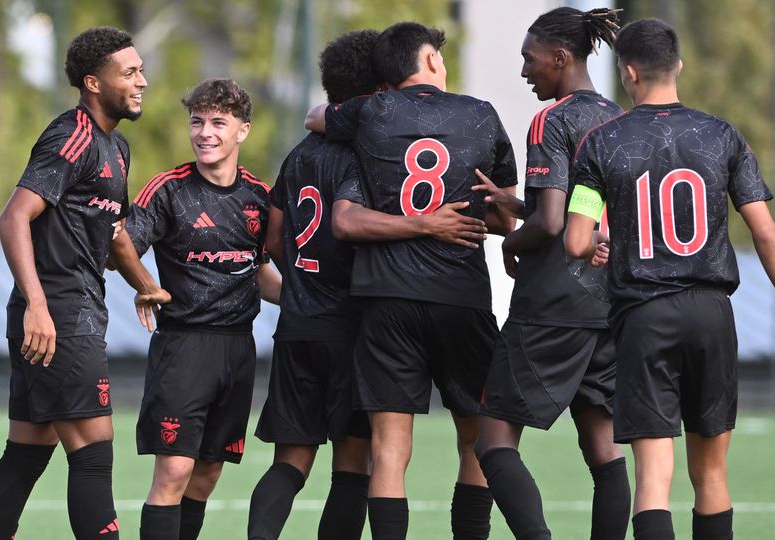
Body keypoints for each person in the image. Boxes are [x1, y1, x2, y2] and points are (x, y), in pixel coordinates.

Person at [564, 18, 775, 540]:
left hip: (644, 317)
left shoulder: (600, 142)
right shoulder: (722, 134)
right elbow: (766, 232)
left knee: (654, 480)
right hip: (710, 314)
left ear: (627, 72)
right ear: (677, 65)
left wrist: (599, 245)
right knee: (712, 474)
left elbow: (575, 240)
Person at [247, 29, 489, 540]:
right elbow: (359, 226)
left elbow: (271, 237)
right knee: (355, 465)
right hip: (353, 324)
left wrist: (300, 282)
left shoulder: (299, 154)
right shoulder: (367, 151)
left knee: (289, 463)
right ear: (382, 86)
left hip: (297, 326)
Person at [306, 21, 518, 540]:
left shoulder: (370, 113)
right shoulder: (480, 113)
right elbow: (506, 217)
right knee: (478, 440)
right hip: (461, 296)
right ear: (427, 61)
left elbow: (315, 118)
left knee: (389, 449)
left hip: (386, 300)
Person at [0, 26, 156, 539]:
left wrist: (146, 283)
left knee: (27, 453)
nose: (142, 80)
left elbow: (116, 234)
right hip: (58, 316)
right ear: (93, 82)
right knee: (94, 456)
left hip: (70, 312)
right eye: (129, 72)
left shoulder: (117, 148)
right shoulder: (72, 136)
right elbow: (13, 218)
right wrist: (37, 305)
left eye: (141, 69)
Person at [470, 7, 630, 540]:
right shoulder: (616, 116)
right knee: (605, 452)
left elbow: (552, 223)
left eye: (528, 59)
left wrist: (511, 243)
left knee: (492, 441)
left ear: (560, 58)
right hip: (609, 300)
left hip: (553, 302)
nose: (523, 71)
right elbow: (581, 211)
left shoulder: (553, 119)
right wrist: (514, 204)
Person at [110, 78, 279, 540]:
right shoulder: (168, 189)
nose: (205, 132)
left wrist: (310, 301)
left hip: (237, 351)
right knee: (174, 472)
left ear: (242, 130)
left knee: (206, 475)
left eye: (218, 122)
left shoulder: (260, 198)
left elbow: (257, 271)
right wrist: (144, 283)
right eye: (197, 121)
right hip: (183, 348)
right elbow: (119, 246)